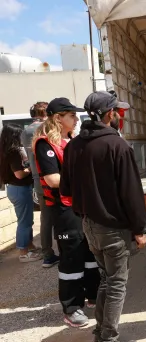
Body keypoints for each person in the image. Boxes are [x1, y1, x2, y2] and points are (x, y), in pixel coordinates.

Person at [60, 91, 145, 342]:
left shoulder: (74, 146)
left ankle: (101, 338)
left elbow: (66, 188)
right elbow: (132, 194)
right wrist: (139, 230)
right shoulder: (117, 146)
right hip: (113, 229)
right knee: (116, 284)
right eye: (116, 111)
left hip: (89, 226)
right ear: (110, 114)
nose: (118, 115)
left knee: (107, 280)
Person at [32, 98, 100, 327]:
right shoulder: (45, 144)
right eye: (71, 115)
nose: (76, 118)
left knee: (90, 252)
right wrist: (84, 181)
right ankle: (72, 308)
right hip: (64, 208)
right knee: (71, 257)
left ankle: (94, 295)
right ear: (58, 118)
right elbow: (52, 179)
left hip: (80, 205)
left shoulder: (71, 140)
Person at [23, 101, 59, 268]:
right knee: (61, 215)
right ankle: (66, 250)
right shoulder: (47, 128)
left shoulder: (25, 131)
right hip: (53, 176)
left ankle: (47, 254)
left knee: (45, 218)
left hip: (38, 180)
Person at [0, 124, 40, 263]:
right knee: (24, 221)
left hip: (14, 189)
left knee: (26, 220)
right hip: (20, 189)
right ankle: (23, 252)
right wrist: (31, 169)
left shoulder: (5, 152)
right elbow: (19, 174)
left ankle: (30, 246)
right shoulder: (14, 152)